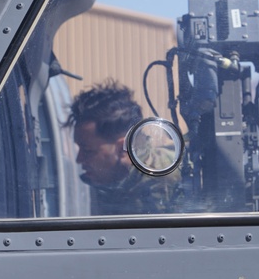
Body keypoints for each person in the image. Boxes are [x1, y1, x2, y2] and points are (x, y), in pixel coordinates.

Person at [65, 79, 180, 215]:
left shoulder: (165, 181)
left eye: (88, 151)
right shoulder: (102, 182)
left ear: (122, 148)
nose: (79, 159)